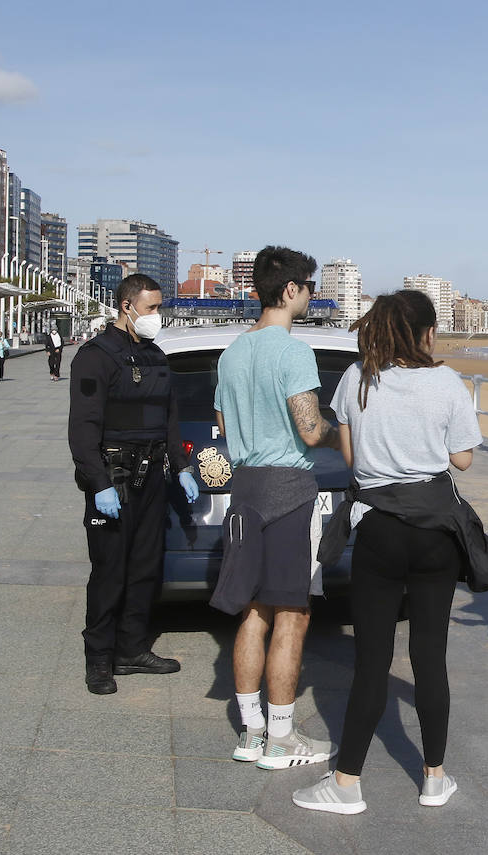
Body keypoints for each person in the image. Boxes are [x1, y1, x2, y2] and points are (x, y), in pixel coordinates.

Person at [292, 290, 488, 815]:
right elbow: (462, 459)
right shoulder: (447, 382)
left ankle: (346, 784)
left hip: (379, 527)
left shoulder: (357, 378)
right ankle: (434, 778)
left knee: (372, 660)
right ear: (427, 333)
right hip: (435, 531)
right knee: (430, 656)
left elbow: (350, 456)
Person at [211, 246, 339, 769]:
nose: (312, 295)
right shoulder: (293, 351)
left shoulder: (232, 353)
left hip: (245, 489)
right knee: (293, 613)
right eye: (309, 286)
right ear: (290, 290)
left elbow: (223, 424)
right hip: (288, 490)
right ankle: (282, 738)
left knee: (253, 611)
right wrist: (342, 434)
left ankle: (251, 733)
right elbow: (309, 428)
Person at [68, 273, 200, 695]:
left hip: (152, 477)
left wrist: (181, 466)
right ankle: (99, 659)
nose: (157, 315)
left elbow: (170, 419)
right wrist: (98, 483)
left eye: (160, 307)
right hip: (114, 478)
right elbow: (83, 429)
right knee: (109, 572)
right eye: (151, 308)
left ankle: (131, 649)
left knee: (145, 569)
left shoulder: (156, 356)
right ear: (127, 306)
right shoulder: (95, 357)